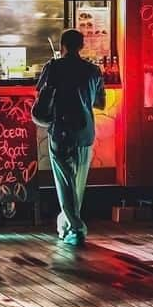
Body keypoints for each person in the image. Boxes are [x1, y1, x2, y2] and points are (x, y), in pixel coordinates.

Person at [36, 29, 105, 246]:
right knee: (77, 184)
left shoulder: (53, 67)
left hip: (61, 130)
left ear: (62, 45)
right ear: (81, 46)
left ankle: (75, 228)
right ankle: (66, 225)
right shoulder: (93, 70)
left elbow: (42, 95)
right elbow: (100, 102)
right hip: (85, 132)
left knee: (64, 182)